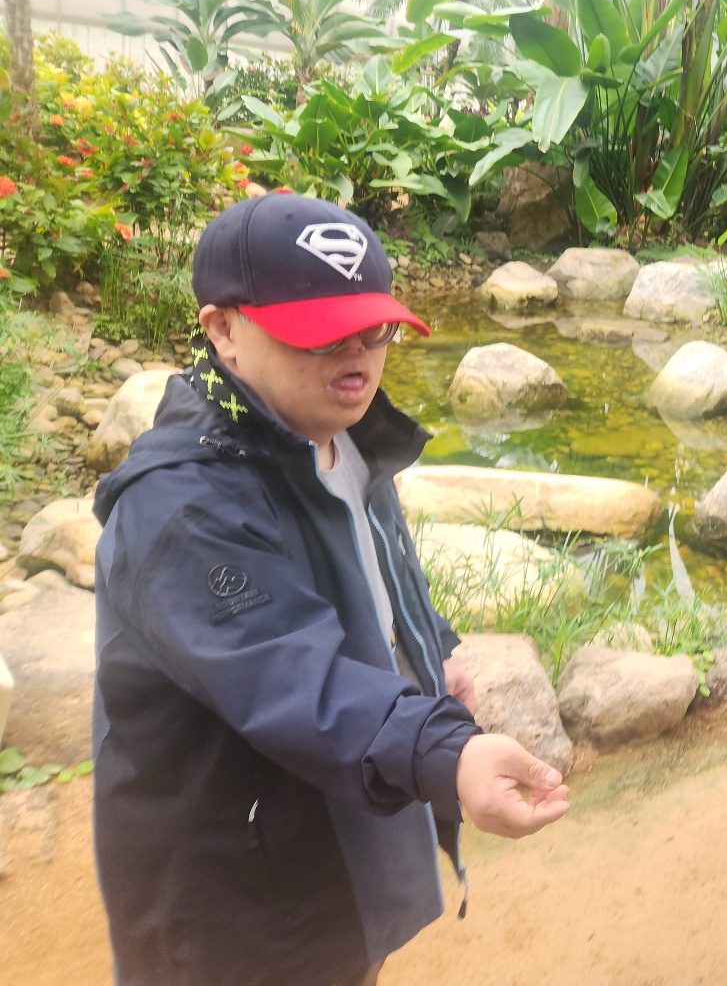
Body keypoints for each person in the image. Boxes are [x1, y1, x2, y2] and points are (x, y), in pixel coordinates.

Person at [91, 193, 570, 986]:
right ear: (222, 328)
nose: (357, 355)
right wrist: (446, 752)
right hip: (233, 903)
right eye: (318, 333)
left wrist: (426, 655)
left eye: (373, 328)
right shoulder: (182, 506)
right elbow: (286, 673)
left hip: (334, 849)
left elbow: (374, 573)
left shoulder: (338, 435)